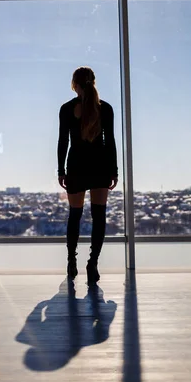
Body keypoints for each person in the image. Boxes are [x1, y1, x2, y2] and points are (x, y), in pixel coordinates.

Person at [57, 66, 118, 286]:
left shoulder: (66, 109)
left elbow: (63, 142)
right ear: (93, 81)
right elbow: (110, 142)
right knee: (99, 216)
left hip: (76, 165)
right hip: (100, 165)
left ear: (74, 84)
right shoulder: (106, 109)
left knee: (75, 215)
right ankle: (93, 264)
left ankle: (71, 262)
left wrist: (60, 170)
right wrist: (114, 170)